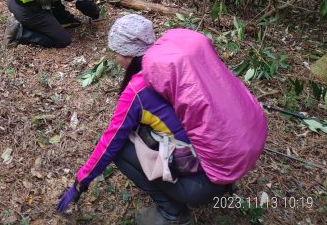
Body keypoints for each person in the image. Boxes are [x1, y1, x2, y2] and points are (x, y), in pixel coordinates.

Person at [57, 14, 266, 225]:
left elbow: (110, 143)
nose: (116, 59)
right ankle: (221, 187)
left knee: (119, 151)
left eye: (116, 53)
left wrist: (80, 183)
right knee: (144, 130)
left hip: (202, 186)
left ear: (127, 53)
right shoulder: (180, 67)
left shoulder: (138, 90)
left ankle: (172, 212)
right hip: (229, 165)